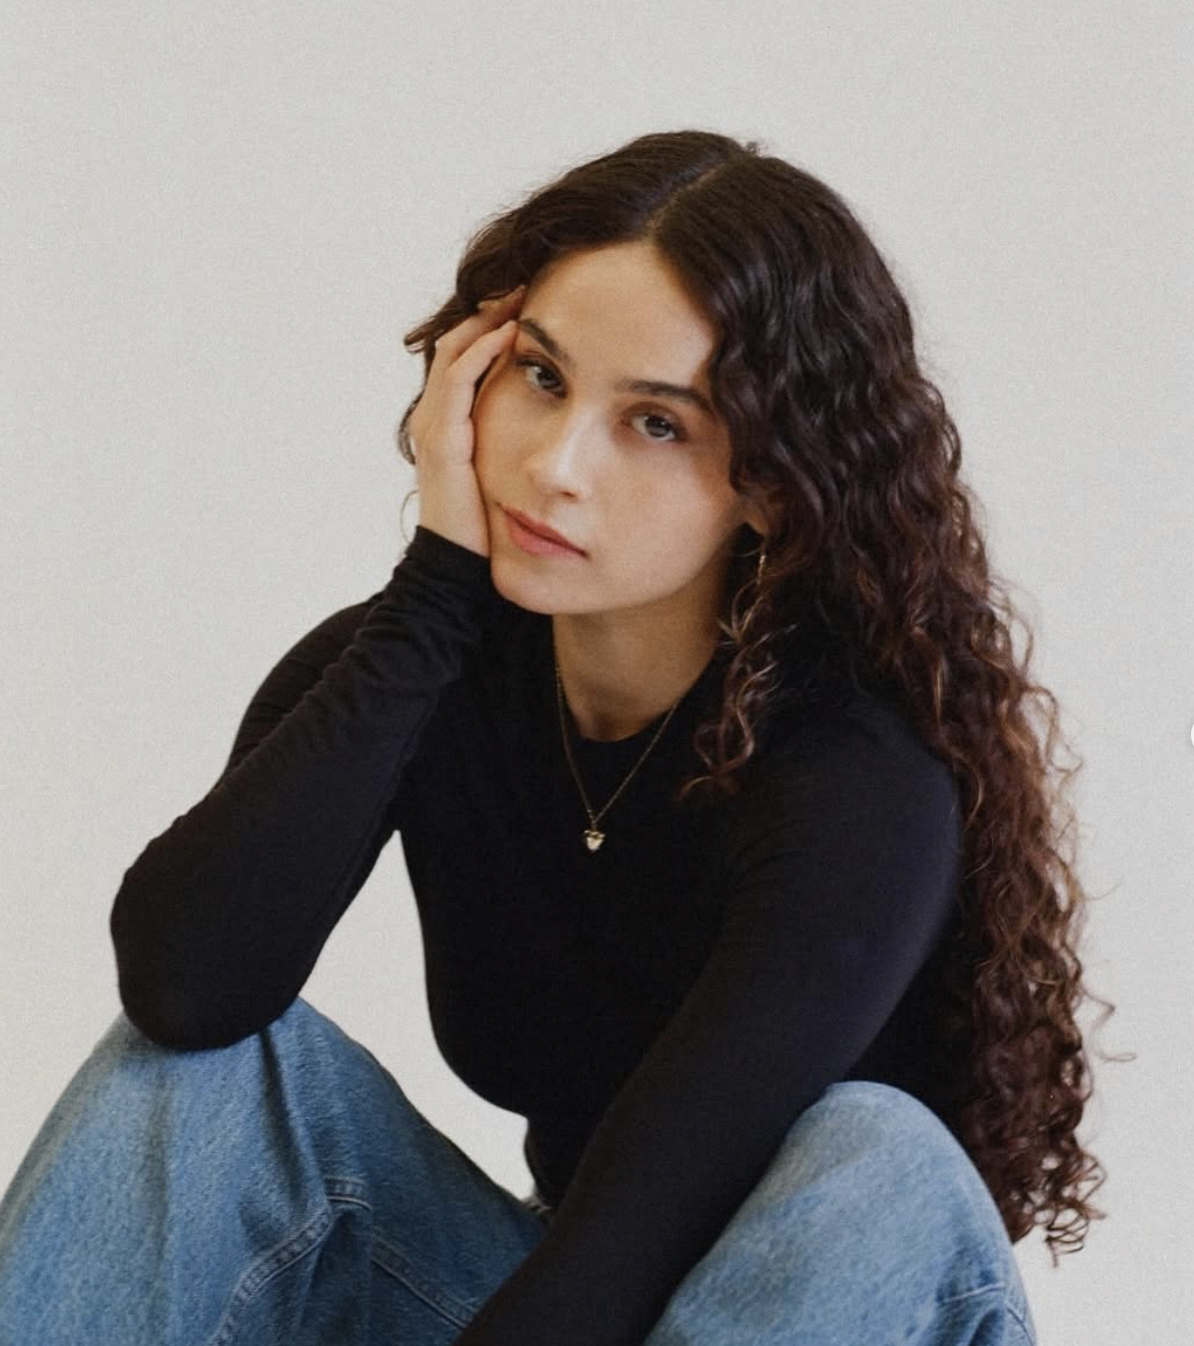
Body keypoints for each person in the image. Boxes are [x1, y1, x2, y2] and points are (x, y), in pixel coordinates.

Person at [0, 129, 1102, 1345]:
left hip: (804, 1313)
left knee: (880, 1153)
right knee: (202, 1067)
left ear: (774, 484)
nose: (556, 464)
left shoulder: (852, 779)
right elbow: (184, 985)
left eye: (657, 423)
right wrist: (436, 587)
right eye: (540, 375)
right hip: (552, 1297)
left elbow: (629, 1248)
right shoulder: (408, 668)